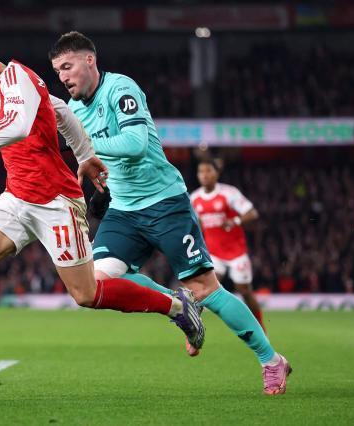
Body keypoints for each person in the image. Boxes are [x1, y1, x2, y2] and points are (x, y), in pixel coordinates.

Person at [0, 29, 204, 392]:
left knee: (87, 294)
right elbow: (62, 112)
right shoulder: (10, 87)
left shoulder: (17, 79)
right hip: (17, 198)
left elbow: (17, 127)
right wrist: (85, 155)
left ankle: (176, 306)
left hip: (55, 202)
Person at [49, 31, 291, 395]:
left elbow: (135, 144)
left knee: (206, 288)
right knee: (95, 283)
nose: (63, 77)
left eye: (67, 67)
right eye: (57, 71)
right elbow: (98, 160)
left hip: (165, 203)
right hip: (123, 210)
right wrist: (99, 187)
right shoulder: (75, 109)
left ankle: (271, 360)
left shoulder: (120, 88)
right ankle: (178, 306)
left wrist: (84, 143)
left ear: (89, 60)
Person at [191, 160, 265, 330]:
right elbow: (197, 225)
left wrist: (235, 220)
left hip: (236, 252)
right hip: (213, 253)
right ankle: (192, 331)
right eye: (201, 171)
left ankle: (260, 327)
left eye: (208, 171)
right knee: (204, 290)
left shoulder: (229, 193)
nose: (204, 175)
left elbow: (252, 213)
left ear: (216, 173)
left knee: (244, 290)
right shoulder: (194, 198)